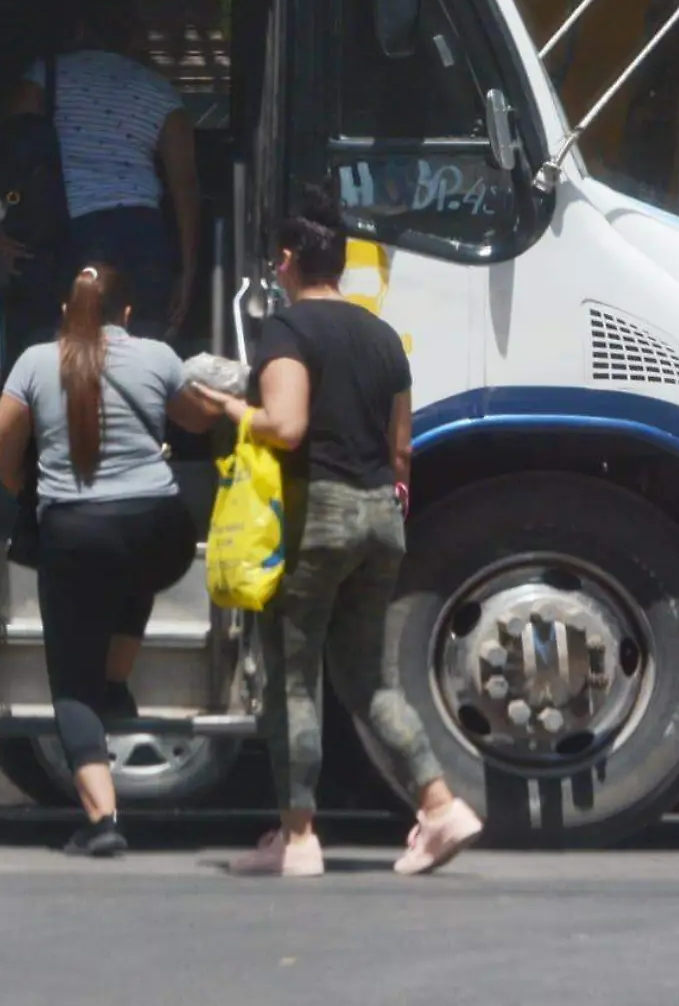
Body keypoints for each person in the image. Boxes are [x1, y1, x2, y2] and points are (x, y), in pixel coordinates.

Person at [199, 195, 482, 878]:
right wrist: (387, 503)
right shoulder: (382, 337)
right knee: (369, 681)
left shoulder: (288, 331)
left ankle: (297, 837)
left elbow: (288, 426)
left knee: (293, 681)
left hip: (316, 515)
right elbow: (402, 449)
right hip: (381, 515)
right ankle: (441, 806)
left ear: (288, 262)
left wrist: (231, 406)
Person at [0, 264, 216, 857]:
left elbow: (1, 450)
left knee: (71, 683)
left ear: (68, 311)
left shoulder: (36, 362)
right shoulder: (159, 356)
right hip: (159, 532)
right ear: (129, 314)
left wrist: (28, 494)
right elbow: (197, 420)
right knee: (131, 565)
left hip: (75, 534)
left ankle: (102, 817)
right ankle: (118, 679)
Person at [0, 0, 202, 343]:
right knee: (139, 345)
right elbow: (185, 187)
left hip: (71, 227)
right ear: (133, 32)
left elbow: (6, 154)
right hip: (143, 232)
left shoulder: (45, 76)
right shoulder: (160, 90)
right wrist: (187, 269)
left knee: (67, 346)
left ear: (79, 27)